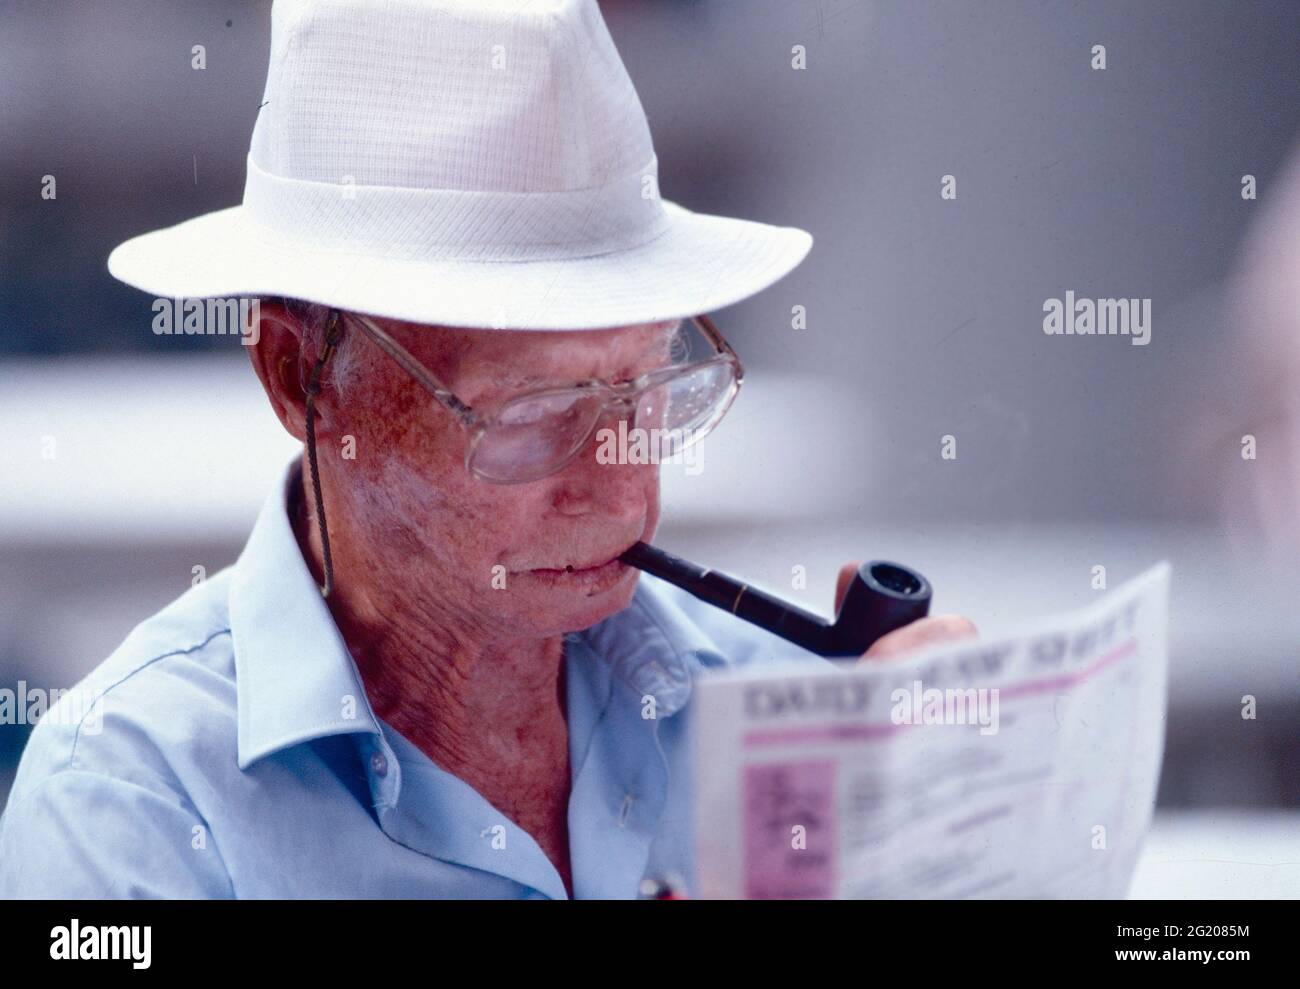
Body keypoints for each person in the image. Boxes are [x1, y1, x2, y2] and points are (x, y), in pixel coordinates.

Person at [0, 0, 975, 899]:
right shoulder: (135, 806)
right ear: (300, 376)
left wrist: (958, 828)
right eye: (535, 412)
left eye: (648, 387)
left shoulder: (782, 716)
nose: (621, 491)